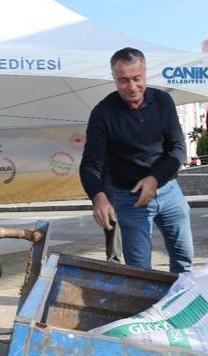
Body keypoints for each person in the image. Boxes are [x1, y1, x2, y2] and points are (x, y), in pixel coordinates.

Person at [79, 47, 193, 273]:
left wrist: (154, 179)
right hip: (130, 198)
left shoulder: (163, 101)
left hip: (169, 191)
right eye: (123, 81)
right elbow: (90, 164)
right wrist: (98, 197)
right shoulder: (103, 113)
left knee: (184, 260)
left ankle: (181, 306)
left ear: (145, 74)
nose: (131, 87)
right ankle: (148, 308)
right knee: (140, 270)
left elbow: (178, 150)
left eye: (136, 79)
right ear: (114, 78)